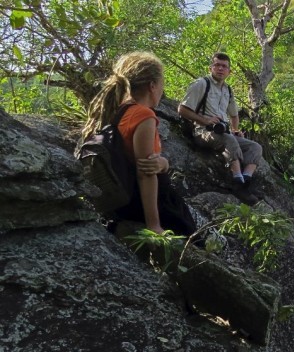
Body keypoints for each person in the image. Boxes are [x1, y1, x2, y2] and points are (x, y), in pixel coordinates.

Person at [82, 51, 195, 236]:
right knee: (200, 237)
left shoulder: (118, 110)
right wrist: (154, 225)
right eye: (161, 84)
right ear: (152, 86)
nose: (161, 90)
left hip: (121, 202)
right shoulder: (144, 115)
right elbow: (146, 172)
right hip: (148, 204)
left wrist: (164, 164)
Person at [178, 52, 263, 204]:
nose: (220, 69)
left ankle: (246, 182)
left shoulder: (228, 90)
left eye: (224, 66)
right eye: (217, 65)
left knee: (255, 147)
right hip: (202, 132)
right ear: (211, 67)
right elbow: (182, 109)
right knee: (230, 140)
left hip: (222, 132)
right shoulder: (201, 84)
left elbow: (234, 115)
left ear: (229, 72)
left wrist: (236, 130)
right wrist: (205, 120)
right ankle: (238, 185)